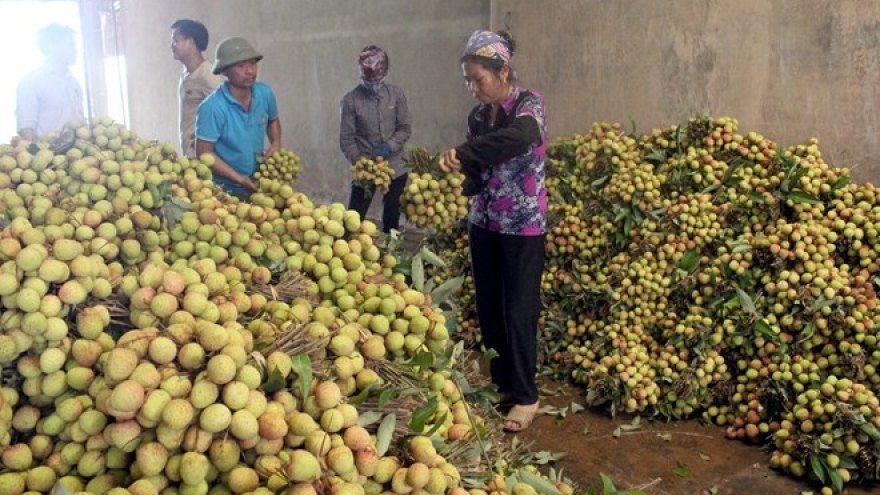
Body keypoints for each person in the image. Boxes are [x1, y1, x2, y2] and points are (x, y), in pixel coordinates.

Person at [438, 30, 547, 433]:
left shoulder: (527, 105)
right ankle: (503, 384)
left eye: (478, 78)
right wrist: (452, 178)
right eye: (467, 79)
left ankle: (526, 395)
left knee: (519, 309)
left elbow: (522, 137)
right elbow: (476, 170)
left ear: (502, 72)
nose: (473, 87)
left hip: (522, 225)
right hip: (484, 222)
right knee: (489, 306)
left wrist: (465, 153)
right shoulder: (478, 117)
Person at [196, 37, 281, 200]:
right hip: (224, 190)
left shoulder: (265, 93)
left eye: (252, 64)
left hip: (260, 181)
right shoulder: (212, 108)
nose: (249, 71)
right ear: (223, 71)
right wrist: (239, 179)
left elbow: (273, 120)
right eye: (241, 66)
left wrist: (276, 142)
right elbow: (204, 153)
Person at [339, 46, 412, 233]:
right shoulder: (351, 101)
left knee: (392, 217)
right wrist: (359, 161)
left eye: (377, 80)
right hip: (366, 167)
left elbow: (404, 128)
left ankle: (393, 252)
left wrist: (390, 146)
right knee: (353, 218)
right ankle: (347, 249)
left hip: (396, 165)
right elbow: (346, 139)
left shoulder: (396, 94)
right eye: (369, 80)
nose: (374, 84)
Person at [15, 23, 85, 141]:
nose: (75, 50)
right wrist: (36, 154)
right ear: (52, 47)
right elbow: (26, 128)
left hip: (78, 154)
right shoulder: (31, 82)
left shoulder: (73, 82)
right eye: (70, 45)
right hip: (49, 155)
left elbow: (79, 119)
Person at [171, 19, 223, 157]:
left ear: (191, 42)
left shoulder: (208, 75)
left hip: (205, 156)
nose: (172, 46)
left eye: (176, 40)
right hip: (189, 151)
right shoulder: (186, 73)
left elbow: (225, 113)